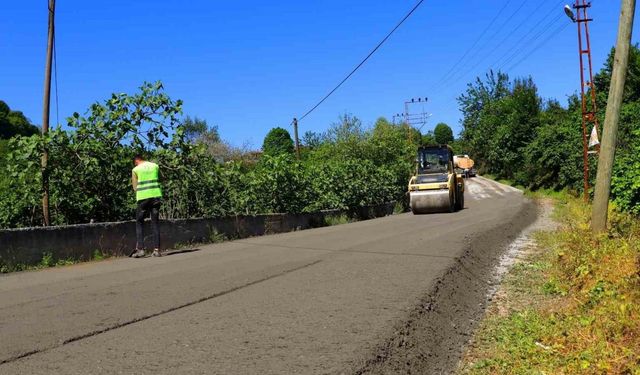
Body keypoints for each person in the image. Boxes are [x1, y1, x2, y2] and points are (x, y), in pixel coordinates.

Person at [130, 154, 163, 258]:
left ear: (136, 161)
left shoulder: (135, 169)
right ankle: (156, 250)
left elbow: (135, 187)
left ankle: (140, 249)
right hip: (156, 196)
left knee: (139, 222)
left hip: (143, 198)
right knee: (155, 223)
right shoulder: (155, 166)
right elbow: (161, 178)